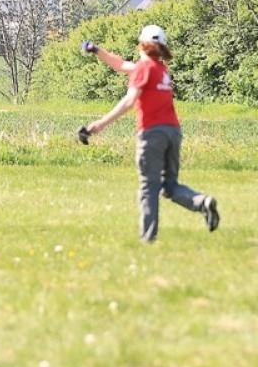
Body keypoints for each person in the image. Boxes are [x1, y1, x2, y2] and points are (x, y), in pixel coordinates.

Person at [79, 24, 220, 242]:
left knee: (149, 187)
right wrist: (97, 50)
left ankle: (148, 239)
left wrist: (101, 123)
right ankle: (203, 202)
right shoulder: (160, 70)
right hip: (173, 132)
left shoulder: (144, 69)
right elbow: (120, 64)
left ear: (142, 45)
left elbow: (129, 100)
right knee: (170, 187)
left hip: (152, 133)